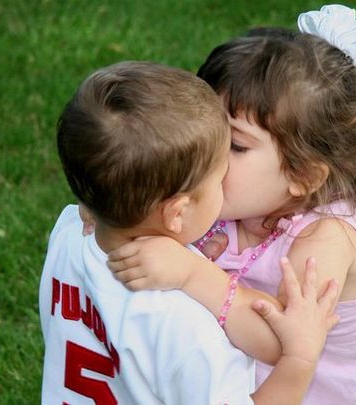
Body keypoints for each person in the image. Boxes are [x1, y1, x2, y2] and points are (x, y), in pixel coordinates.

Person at [106, 5, 356, 404]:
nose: (210, 152)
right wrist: (116, 210)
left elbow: (282, 340)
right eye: (210, 131)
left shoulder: (324, 242)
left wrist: (190, 273)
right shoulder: (238, 196)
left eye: (236, 145)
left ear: (302, 176)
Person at [39, 61, 339, 404]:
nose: (226, 183)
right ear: (177, 213)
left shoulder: (70, 231)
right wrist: (299, 359)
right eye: (220, 178)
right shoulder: (186, 325)